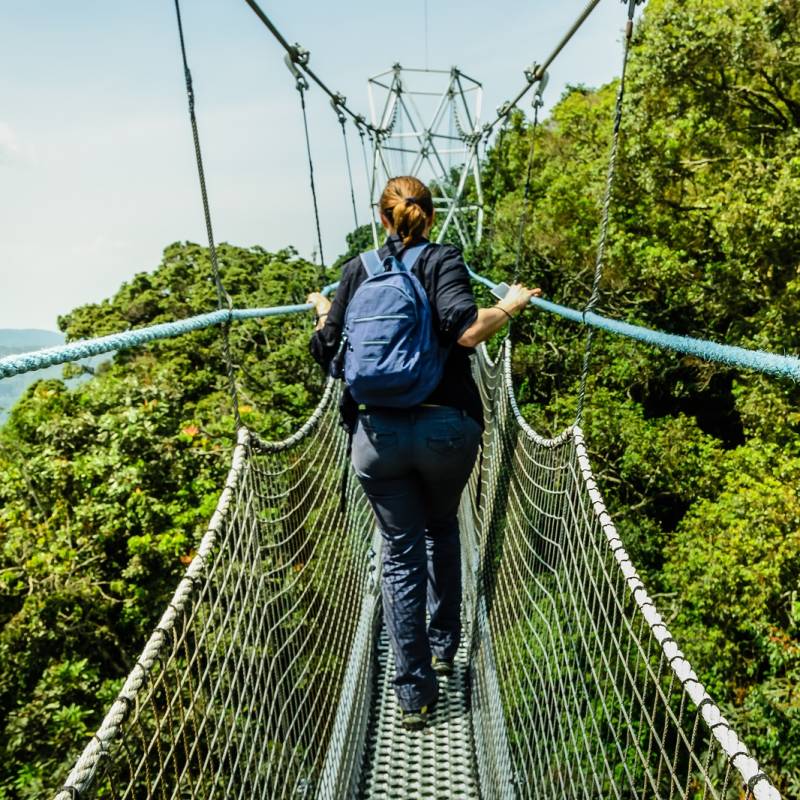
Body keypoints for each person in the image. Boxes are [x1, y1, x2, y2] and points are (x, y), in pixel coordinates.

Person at [308, 176, 541, 731]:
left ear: (383, 219)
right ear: (428, 218)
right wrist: (508, 306)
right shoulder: (443, 259)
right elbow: (465, 333)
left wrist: (322, 309)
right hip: (446, 430)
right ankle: (443, 648)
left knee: (399, 552)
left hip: (377, 438)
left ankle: (413, 693)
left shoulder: (356, 270)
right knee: (442, 529)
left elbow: (327, 352)